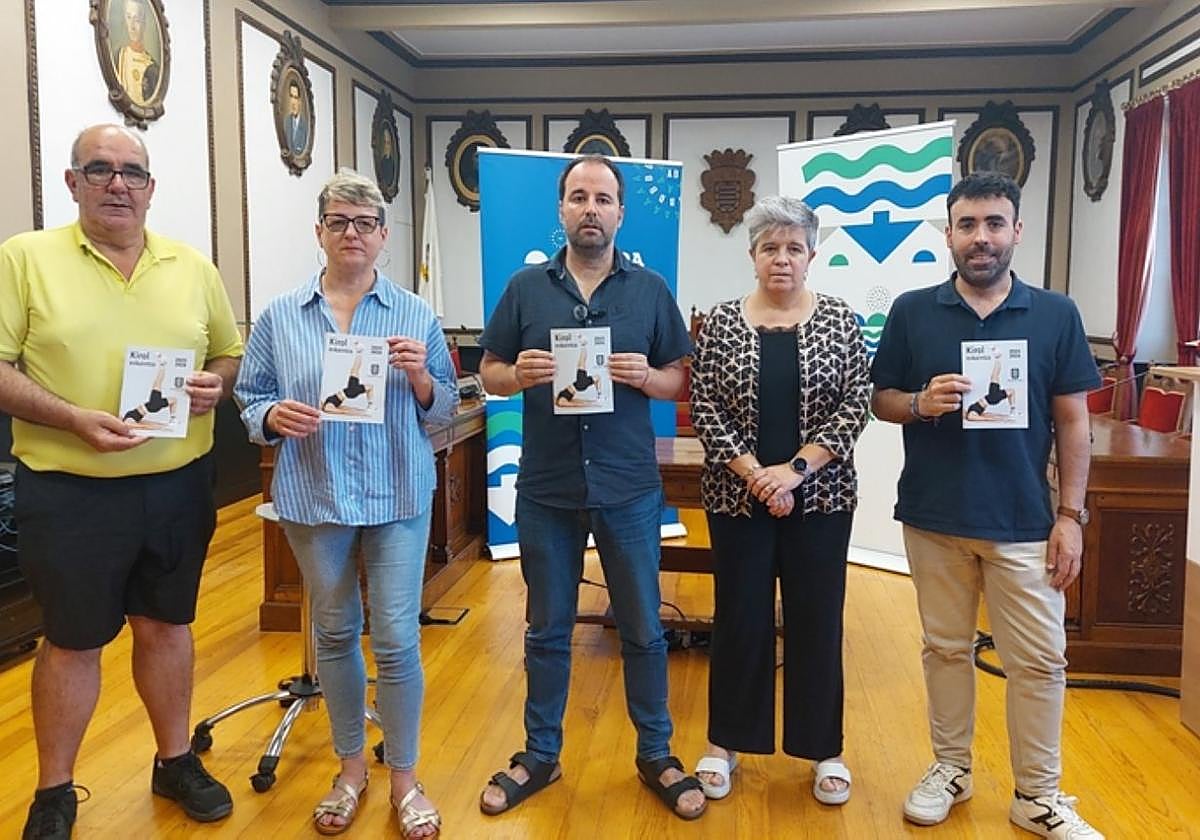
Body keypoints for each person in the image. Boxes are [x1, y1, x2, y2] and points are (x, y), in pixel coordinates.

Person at [0, 124, 242, 840]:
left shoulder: (192, 267)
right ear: (72, 182)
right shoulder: (25, 259)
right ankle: (53, 792)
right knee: (72, 640)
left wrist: (213, 387)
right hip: (70, 490)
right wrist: (73, 418)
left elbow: (228, 355)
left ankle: (174, 762)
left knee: (168, 627)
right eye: (99, 170)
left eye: (132, 172)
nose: (117, 184)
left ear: (150, 188)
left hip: (175, 486)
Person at [869, 172, 1103, 839]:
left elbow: (1074, 423)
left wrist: (1071, 517)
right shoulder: (913, 311)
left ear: (1016, 231)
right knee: (944, 650)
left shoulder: (1057, 314)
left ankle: (1038, 795)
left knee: (1038, 660)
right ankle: (951, 768)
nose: (981, 238)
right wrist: (917, 402)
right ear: (949, 234)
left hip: (1026, 522)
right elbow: (880, 399)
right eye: (967, 225)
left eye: (994, 223)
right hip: (934, 517)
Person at [476, 154, 705, 820]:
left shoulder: (649, 289)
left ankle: (656, 754)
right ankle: (539, 755)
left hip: (628, 484)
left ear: (620, 212)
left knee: (643, 628)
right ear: (562, 210)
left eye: (603, 198)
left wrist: (645, 376)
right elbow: (488, 372)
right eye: (578, 197)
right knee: (546, 629)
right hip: (546, 486)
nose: (590, 209)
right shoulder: (526, 288)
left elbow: (677, 380)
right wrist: (516, 373)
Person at [235, 170, 456, 839]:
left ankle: (406, 779)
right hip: (316, 494)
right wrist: (273, 414)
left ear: (385, 237)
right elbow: (249, 398)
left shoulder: (417, 314)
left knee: (394, 637)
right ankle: (351, 768)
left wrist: (420, 376)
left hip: (396, 493)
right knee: (333, 633)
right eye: (339, 221)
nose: (352, 234)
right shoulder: (278, 316)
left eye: (365, 223)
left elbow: (446, 404)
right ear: (320, 232)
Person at [689, 196, 870, 805]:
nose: (782, 259)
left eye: (794, 247)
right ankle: (725, 742)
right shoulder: (719, 321)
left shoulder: (842, 320)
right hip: (737, 499)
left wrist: (793, 472)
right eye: (770, 247)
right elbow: (706, 407)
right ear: (752, 255)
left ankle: (824, 749)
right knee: (739, 618)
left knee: (817, 620)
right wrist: (757, 476)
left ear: (812, 255)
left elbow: (855, 407)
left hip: (821, 497)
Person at [115, 0, 159, 107]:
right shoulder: (119, 56)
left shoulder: (152, 68)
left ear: (144, 23)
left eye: (137, 20)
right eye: (129, 17)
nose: (132, 26)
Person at [123, 353, 179, 428]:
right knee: (157, 383)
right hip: (152, 405)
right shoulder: (127, 422)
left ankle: (173, 420)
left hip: (151, 405)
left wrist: (162, 425)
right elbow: (141, 426)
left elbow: (142, 422)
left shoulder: (127, 419)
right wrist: (156, 427)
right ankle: (163, 364)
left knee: (173, 399)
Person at [965, 345, 1018, 420]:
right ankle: (998, 357)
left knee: (995, 377)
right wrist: (999, 419)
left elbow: (987, 414)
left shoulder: (969, 411)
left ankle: (998, 358)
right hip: (992, 398)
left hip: (990, 397)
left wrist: (1002, 416)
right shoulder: (970, 415)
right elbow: (984, 418)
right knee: (995, 376)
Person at [284, 79, 309, 154]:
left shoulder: (306, 126)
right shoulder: (286, 122)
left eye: (296, 97)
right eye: (291, 96)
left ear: (300, 101)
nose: (293, 102)